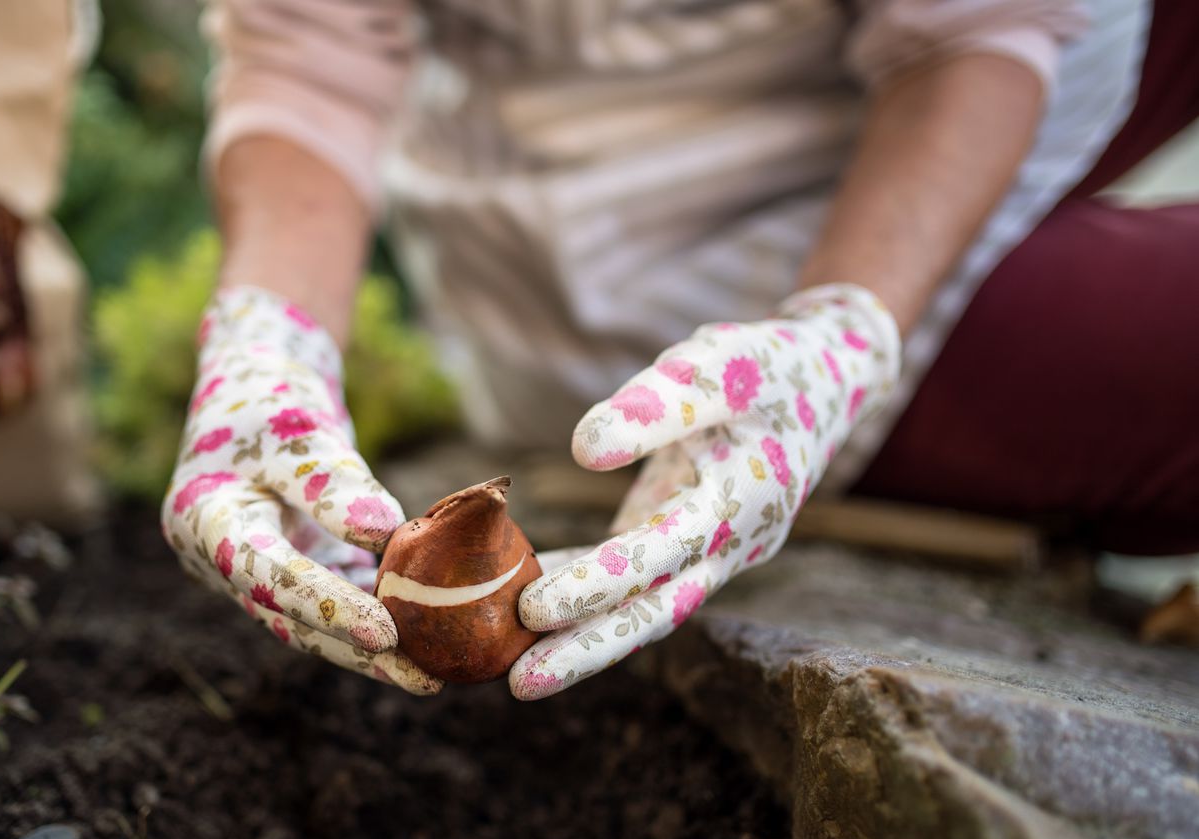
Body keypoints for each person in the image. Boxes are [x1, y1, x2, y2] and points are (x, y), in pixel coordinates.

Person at [162, 0, 1199, 699]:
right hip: (667, 237)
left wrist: (844, 334)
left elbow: (977, 24)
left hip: (966, 92)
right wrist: (264, 341)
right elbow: (308, 56)